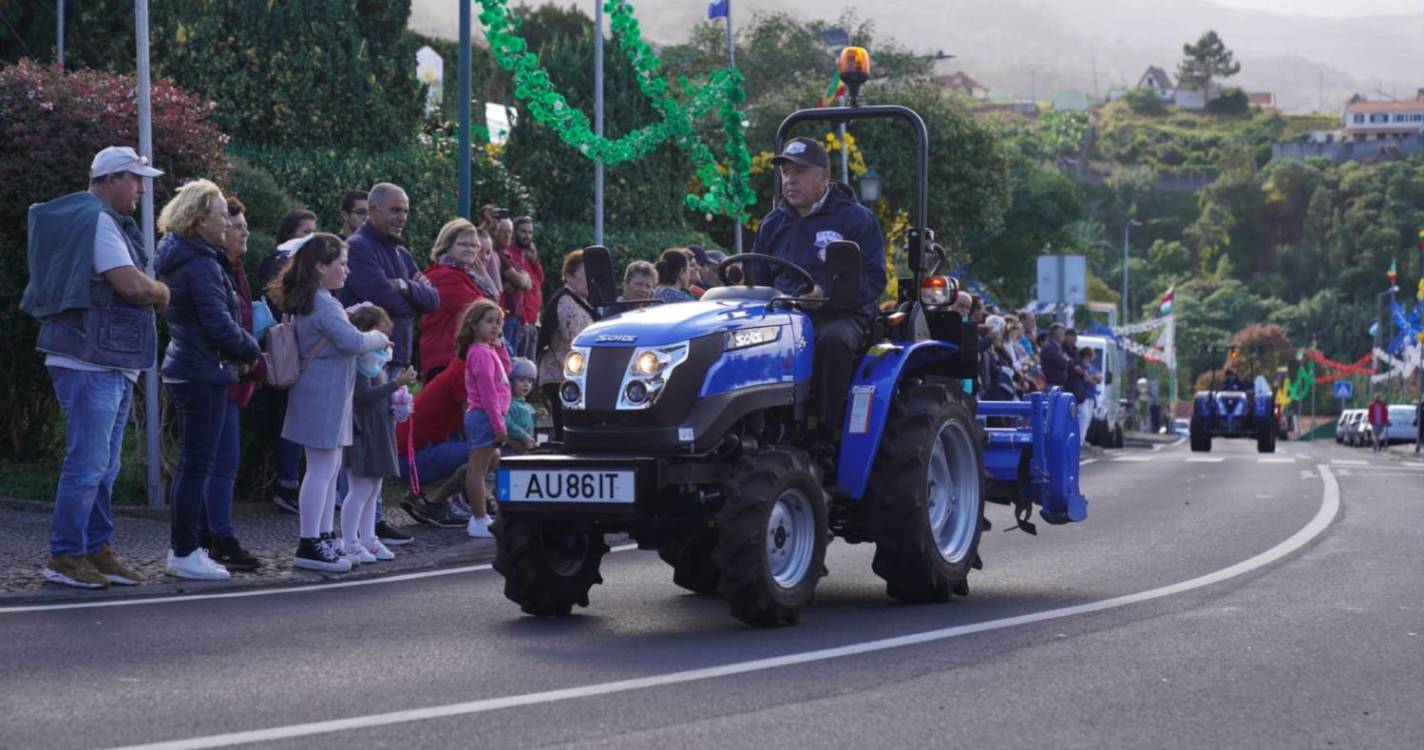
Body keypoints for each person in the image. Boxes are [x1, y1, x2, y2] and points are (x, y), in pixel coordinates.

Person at [22, 146, 168, 589]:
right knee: (89, 463)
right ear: (109, 179)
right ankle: (65, 555)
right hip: (91, 358)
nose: (142, 189)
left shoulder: (95, 218)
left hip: (102, 359)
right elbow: (131, 286)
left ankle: (95, 550)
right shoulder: (99, 220)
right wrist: (164, 292)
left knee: (103, 466)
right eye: (135, 179)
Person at [153, 179, 262, 580]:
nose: (226, 223)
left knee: (195, 464)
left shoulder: (188, 256)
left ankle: (189, 548)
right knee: (197, 464)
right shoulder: (199, 263)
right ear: (200, 219)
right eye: (220, 216)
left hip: (193, 367)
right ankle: (184, 551)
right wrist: (252, 351)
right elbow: (217, 323)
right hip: (202, 370)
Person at [268, 233, 390, 572]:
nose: (347, 271)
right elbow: (352, 341)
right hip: (322, 397)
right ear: (321, 267)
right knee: (322, 471)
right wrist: (379, 336)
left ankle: (322, 536)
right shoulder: (325, 304)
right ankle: (310, 542)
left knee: (326, 469)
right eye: (342, 264)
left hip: (323, 396)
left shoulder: (313, 301)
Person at [752, 136, 888, 430]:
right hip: (783, 313)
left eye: (799, 172)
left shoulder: (855, 219)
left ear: (823, 176)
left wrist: (827, 294)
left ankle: (826, 429)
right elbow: (756, 276)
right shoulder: (773, 223)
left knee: (832, 341)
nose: (790, 180)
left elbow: (874, 278)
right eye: (786, 173)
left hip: (840, 312)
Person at [340, 183, 437, 546]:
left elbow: (434, 299)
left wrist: (405, 289)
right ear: (374, 210)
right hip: (368, 360)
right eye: (395, 210)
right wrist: (407, 292)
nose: (402, 218)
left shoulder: (403, 254)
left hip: (395, 357)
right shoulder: (360, 248)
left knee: (382, 446)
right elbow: (380, 299)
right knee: (365, 451)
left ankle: (371, 524)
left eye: (406, 210)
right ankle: (360, 527)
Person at [203, 196, 266, 572]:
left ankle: (213, 534)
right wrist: (249, 356)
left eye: (244, 225)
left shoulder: (235, 268)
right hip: (219, 374)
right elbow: (220, 324)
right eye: (236, 224)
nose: (244, 232)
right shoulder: (214, 267)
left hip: (233, 373)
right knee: (217, 462)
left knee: (221, 461)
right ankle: (216, 537)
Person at [343, 305, 418, 564]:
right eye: (381, 334)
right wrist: (396, 385)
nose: (385, 342)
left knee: (374, 489)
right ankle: (350, 540)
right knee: (360, 488)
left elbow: (378, 395)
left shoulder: (377, 363)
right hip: (365, 429)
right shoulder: (361, 363)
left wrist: (397, 401)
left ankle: (368, 538)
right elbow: (363, 397)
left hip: (379, 427)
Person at [397, 356, 474, 528]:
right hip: (410, 459)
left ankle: (447, 499)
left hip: (416, 453)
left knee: (475, 448)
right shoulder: (463, 371)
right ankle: (431, 503)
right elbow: (472, 424)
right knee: (482, 452)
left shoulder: (459, 366)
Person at [459, 299, 511, 538]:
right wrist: (498, 424)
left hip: (489, 416)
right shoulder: (479, 353)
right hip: (484, 416)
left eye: (498, 323)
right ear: (473, 325)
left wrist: (500, 348)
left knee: (492, 461)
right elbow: (488, 391)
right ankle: (478, 518)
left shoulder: (488, 350)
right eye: (489, 322)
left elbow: (506, 370)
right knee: (477, 470)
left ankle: (489, 511)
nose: (495, 327)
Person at [419, 218, 489, 380]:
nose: (470, 249)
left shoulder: (465, 275)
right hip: (445, 359)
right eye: (463, 244)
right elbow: (482, 313)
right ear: (447, 246)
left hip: (457, 357)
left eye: (474, 245)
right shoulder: (443, 276)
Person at [537, 250, 595, 440]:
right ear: (569, 276)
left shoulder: (578, 301)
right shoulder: (566, 303)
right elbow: (574, 343)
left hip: (567, 378)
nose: (591, 281)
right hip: (561, 378)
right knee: (566, 433)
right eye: (586, 275)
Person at [492, 217, 532, 356]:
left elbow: (528, 282)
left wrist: (520, 281)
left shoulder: (508, 256)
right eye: (503, 232)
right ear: (495, 233)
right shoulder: (497, 256)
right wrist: (520, 281)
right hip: (504, 316)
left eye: (509, 232)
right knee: (508, 360)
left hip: (516, 315)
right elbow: (521, 281)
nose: (507, 235)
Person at [256, 208, 318, 291]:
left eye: (313, 233)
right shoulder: (277, 261)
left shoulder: (309, 261)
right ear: (289, 233)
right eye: (306, 232)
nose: (311, 237)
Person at [511, 216, 545, 360]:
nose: (527, 236)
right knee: (519, 369)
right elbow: (518, 291)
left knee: (530, 368)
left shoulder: (528, 254)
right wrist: (523, 319)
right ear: (514, 233)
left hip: (532, 320)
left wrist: (535, 260)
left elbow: (540, 280)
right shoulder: (510, 254)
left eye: (530, 232)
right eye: (523, 232)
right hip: (520, 321)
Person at [505, 357, 540, 454]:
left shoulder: (524, 404)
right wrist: (523, 436)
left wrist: (535, 416)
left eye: (529, 381)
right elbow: (507, 423)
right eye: (521, 380)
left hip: (523, 448)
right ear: (510, 382)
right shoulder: (509, 403)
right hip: (511, 449)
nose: (526, 384)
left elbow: (523, 422)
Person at [1040, 324, 1071, 389]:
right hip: (1052, 384)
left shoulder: (1056, 347)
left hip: (1056, 384)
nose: (1064, 336)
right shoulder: (1051, 347)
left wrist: (1066, 359)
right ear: (1056, 335)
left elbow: (1067, 358)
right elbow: (1062, 363)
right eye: (1062, 334)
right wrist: (1066, 360)